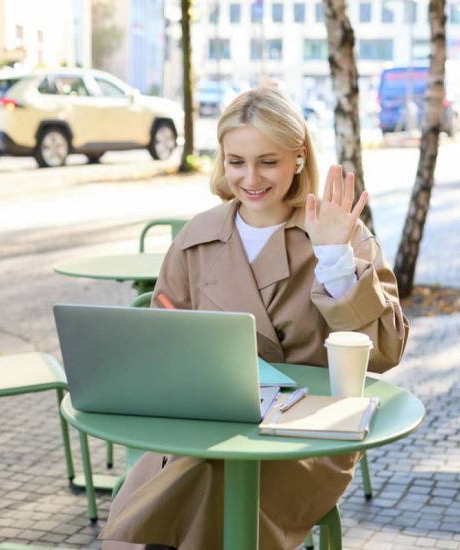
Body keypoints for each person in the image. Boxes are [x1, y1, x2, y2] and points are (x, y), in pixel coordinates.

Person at [100, 87, 409, 550]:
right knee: (179, 489)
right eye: (236, 161)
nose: (250, 178)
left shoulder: (338, 232)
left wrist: (334, 260)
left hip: (305, 438)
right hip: (207, 424)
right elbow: (163, 339)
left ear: (298, 159)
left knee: (203, 491)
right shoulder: (197, 237)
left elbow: (385, 352)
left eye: (268, 161)